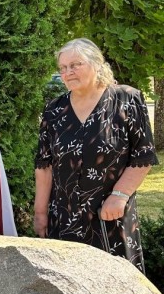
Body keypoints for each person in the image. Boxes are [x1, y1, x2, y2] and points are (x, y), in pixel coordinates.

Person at [34, 38, 158, 273]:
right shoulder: (54, 110)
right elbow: (44, 165)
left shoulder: (126, 99)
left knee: (116, 284)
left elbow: (143, 155)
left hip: (111, 215)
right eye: (62, 68)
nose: (67, 73)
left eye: (74, 65)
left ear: (96, 64)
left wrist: (120, 196)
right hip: (64, 217)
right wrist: (40, 213)